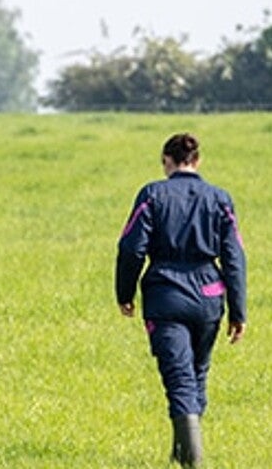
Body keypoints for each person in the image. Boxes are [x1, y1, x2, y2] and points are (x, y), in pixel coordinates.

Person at [115, 133, 247, 468]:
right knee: (196, 373)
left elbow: (131, 248)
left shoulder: (152, 194)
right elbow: (234, 257)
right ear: (197, 161)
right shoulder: (220, 199)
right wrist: (238, 311)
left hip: (166, 296)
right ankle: (182, 451)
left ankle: (192, 460)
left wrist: (124, 293)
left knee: (179, 377)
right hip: (209, 298)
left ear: (166, 161)